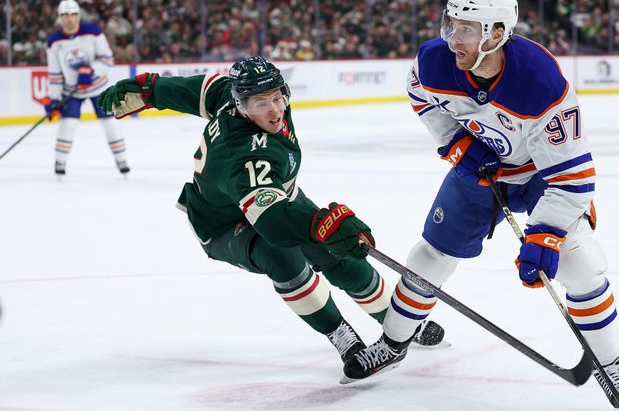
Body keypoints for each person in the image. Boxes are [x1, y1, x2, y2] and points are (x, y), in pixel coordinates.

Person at [342, 0, 619, 408]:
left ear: (497, 33)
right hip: (482, 173)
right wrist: (455, 142)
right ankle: (393, 343)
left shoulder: (540, 83)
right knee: (428, 259)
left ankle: (608, 363)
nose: (452, 38)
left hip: (540, 176)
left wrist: (546, 234)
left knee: (580, 264)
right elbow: (419, 93)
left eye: (465, 29)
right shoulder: (434, 61)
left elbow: (572, 177)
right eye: (450, 24)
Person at [97, 56, 444, 367]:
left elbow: (189, 90)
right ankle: (338, 331)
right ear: (242, 105)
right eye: (261, 103)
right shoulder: (245, 154)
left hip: (279, 198)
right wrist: (322, 225)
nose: (275, 111)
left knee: (339, 258)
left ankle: (396, 322)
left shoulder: (230, 95)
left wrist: (149, 89)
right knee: (281, 256)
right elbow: (274, 222)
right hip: (224, 224)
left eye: (277, 97)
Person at [45, 0, 129, 177]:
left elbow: (108, 59)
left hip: (97, 87)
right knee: (68, 124)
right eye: (65, 15)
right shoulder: (53, 42)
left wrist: (91, 70)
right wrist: (54, 99)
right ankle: (60, 161)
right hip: (72, 90)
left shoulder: (93, 32)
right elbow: (55, 74)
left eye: (73, 14)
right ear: (60, 18)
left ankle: (121, 159)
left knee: (110, 123)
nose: (69, 19)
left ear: (78, 16)